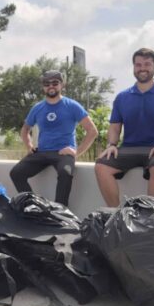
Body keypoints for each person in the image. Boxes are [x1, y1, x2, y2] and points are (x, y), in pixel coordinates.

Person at [95, 47, 154, 207]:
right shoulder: (122, 97)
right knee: (101, 165)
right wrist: (111, 145)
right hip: (130, 148)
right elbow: (115, 127)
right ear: (133, 67)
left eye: (147, 64)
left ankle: (151, 219)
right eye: (138, 65)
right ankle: (116, 215)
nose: (142, 68)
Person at [10, 70, 98, 207]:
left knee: (65, 173)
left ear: (62, 85)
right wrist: (29, 146)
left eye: (55, 83)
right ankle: (34, 207)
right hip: (42, 152)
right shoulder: (37, 108)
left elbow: (92, 131)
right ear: (43, 87)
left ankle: (60, 211)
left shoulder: (72, 105)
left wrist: (76, 152)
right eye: (46, 83)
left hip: (63, 153)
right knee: (16, 173)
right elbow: (25, 129)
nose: (51, 86)